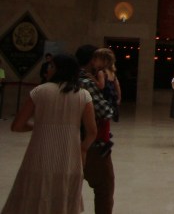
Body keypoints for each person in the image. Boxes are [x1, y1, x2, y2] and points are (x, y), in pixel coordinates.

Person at [2, 54, 97, 214]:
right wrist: (83, 149)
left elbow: (17, 126)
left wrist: (39, 126)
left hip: (39, 158)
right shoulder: (83, 95)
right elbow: (92, 132)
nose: (48, 69)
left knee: (31, 201)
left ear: (60, 69)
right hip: (69, 158)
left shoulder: (39, 91)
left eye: (52, 66)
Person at [76, 44, 116, 214]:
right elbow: (106, 111)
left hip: (70, 140)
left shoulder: (68, 81)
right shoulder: (86, 82)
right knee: (104, 189)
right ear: (92, 60)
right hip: (92, 145)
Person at [96, 48, 121, 122]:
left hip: (104, 98)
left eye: (97, 59)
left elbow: (101, 86)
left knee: (102, 118)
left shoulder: (101, 72)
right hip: (112, 98)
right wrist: (119, 98)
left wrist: (92, 79)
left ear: (103, 61)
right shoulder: (112, 72)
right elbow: (117, 86)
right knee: (107, 118)